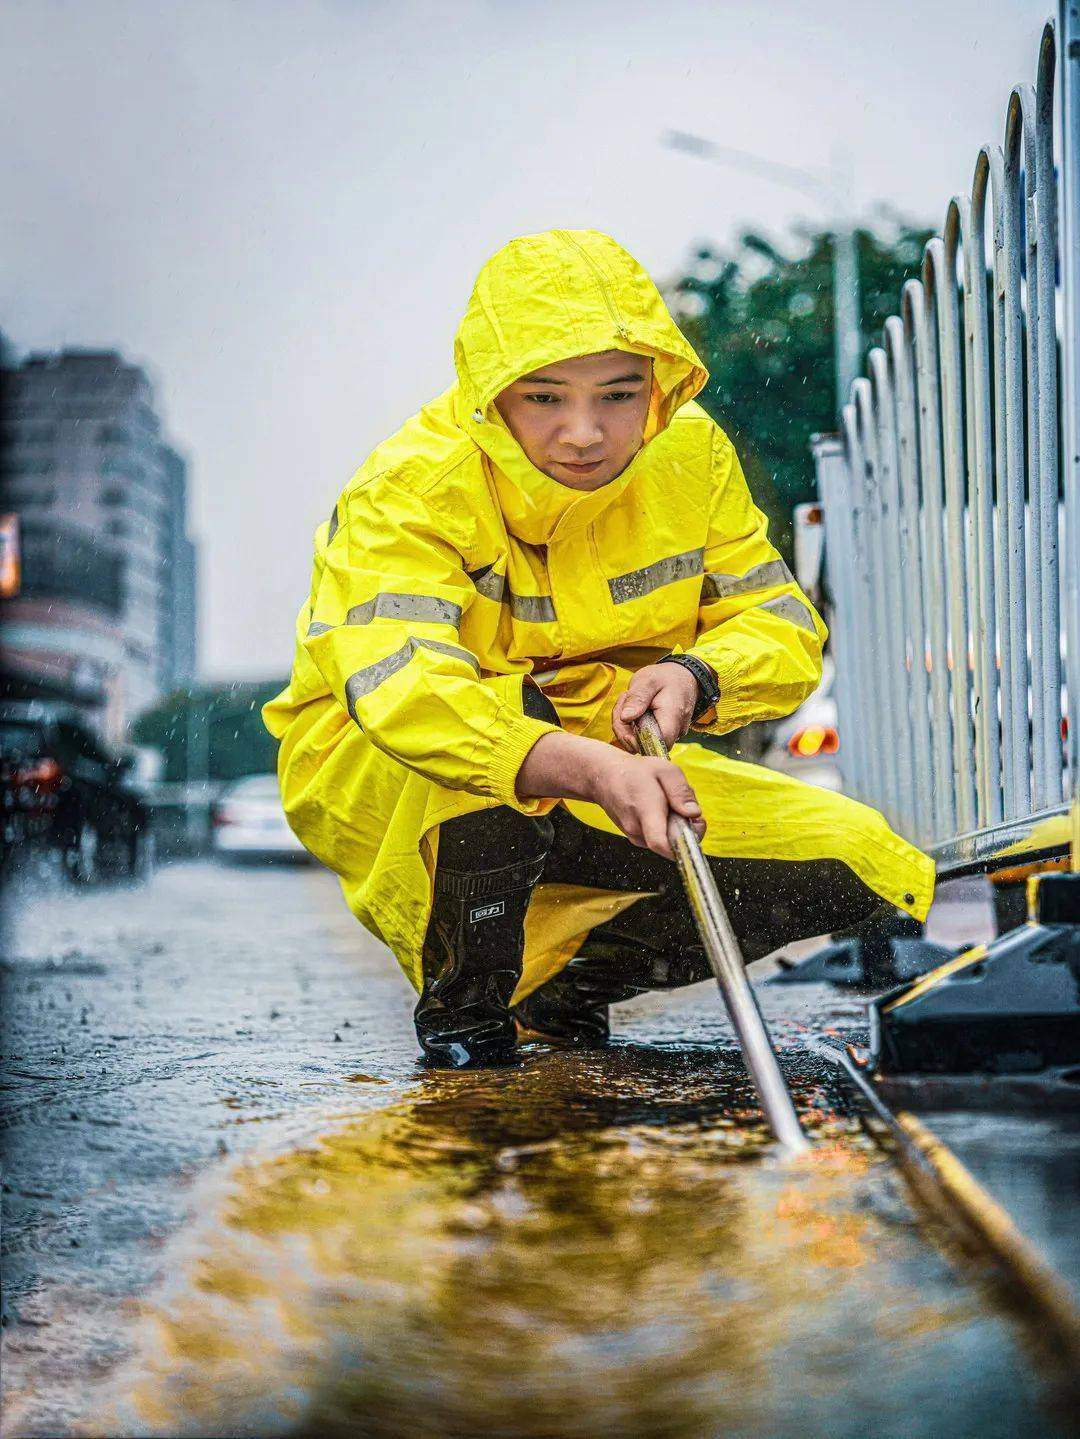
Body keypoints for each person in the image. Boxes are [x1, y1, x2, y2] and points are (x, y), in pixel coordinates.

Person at [263, 229, 934, 1068]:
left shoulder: (691, 457)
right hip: (394, 770)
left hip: (611, 756)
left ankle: (565, 984)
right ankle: (469, 1014)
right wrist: (588, 768)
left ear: (660, 383)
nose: (584, 433)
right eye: (544, 398)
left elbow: (783, 625)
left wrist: (698, 672)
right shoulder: (411, 486)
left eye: (618, 395)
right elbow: (411, 692)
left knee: (859, 861)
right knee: (506, 713)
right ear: (489, 392)